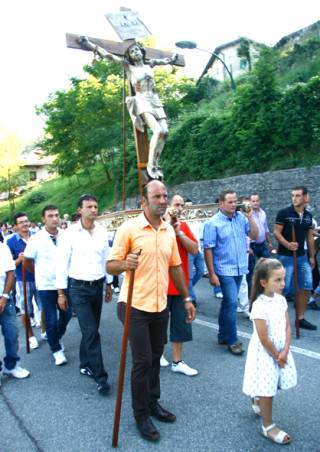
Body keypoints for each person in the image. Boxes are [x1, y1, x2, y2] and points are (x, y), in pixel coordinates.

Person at [107, 180, 196, 442]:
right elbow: (110, 266)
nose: (163, 200)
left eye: (165, 196)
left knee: (156, 357)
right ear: (144, 202)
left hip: (160, 304)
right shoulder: (129, 229)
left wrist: (187, 297)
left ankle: (153, 402)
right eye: (156, 196)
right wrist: (125, 263)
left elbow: (175, 267)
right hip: (134, 304)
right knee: (143, 361)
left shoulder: (168, 230)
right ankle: (141, 415)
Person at [79, 36, 177, 180]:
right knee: (157, 130)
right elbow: (108, 55)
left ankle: (155, 162)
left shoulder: (150, 64)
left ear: (142, 52)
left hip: (155, 100)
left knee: (165, 132)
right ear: (129, 56)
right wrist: (89, 45)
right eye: (132, 51)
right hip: (142, 100)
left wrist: (173, 58)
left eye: (137, 49)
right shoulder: (129, 67)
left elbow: (166, 60)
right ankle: (151, 165)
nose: (135, 52)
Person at [56, 194, 113, 395]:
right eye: (89, 206)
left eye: (96, 206)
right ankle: (101, 377)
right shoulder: (69, 234)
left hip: (97, 285)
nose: (94, 210)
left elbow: (107, 259)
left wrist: (109, 283)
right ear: (79, 210)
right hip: (77, 288)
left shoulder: (102, 231)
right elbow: (61, 265)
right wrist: (61, 293)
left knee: (92, 328)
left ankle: (84, 363)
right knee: (91, 331)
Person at [243, 258, 297, 445]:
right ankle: (268, 426)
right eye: (278, 280)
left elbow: (288, 327)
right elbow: (264, 338)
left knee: (272, 383)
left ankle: (256, 398)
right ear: (264, 282)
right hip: (266, 353)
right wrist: (277, 355)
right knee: (268, 389)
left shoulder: (281, 300)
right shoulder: (259, 305)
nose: (283, 284)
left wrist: (285, 351)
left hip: (280, 351)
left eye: (283, 279)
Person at [203, 190, 259, 355]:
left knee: (228, 302)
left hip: (240, 267)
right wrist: (212, 274)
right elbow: (208, 249)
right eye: (230, 202)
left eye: (235, 201)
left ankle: (222, 335)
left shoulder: (241, 218)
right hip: (223, 269)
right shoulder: (212, 223)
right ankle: (232, 340)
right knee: (232, 302)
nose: (234, 204)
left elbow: (255, 235)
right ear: (221, 203)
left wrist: (250, 216)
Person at [24, 205, 72, 366]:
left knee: (66, 315)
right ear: (43, 219)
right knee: (50, 318)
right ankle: (56, 349)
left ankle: (55, 337)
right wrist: (39, 273)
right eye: (50, 216)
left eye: (56, 215)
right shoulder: (35, 239)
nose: (54, 218)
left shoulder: (66, 236)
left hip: (65, 283)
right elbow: (27, 261)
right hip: (45, 285)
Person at [163, 194, 199, 376]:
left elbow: (194, 249)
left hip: (179, 284)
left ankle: (177, 361)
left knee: (180, 323)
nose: (179, 208)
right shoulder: (158, 225)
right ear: (168, 205)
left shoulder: (183, 226)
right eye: (176, 204)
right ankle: (159, 353)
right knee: (159, 324)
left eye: (181, 205)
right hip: (160, 284)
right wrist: (168, 226)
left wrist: (179, 232)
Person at [274, 186, 317, 330]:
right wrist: (288, 244)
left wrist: (312, 257)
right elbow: (277, 233)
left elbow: (310, 238)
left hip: (302, 256)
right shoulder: (284, 213)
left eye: (298, 195)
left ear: (305, 197)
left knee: (306, 286)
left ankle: (301, 318)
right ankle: (277, 318)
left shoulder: (308, 216)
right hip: (286, 256)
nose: (294, 198)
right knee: (282, 289)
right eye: (293, 195)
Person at [7, 212, 44, 350]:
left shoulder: (38, 236)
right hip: (23, 280)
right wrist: (19, 260)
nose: (25, 224)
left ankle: (44, 331)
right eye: (21, 222)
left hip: (41, 277)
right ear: (15, 226)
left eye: (26, 221)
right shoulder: (10, 242)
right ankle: (30, 336)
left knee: (44, 306)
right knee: (25, 309)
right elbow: (9, 264)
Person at [0, 241, 30, 382]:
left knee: (12, 334)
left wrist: (5, 297)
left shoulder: (2, 248)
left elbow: (10, 273)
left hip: (4, 299)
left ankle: (12, 366)